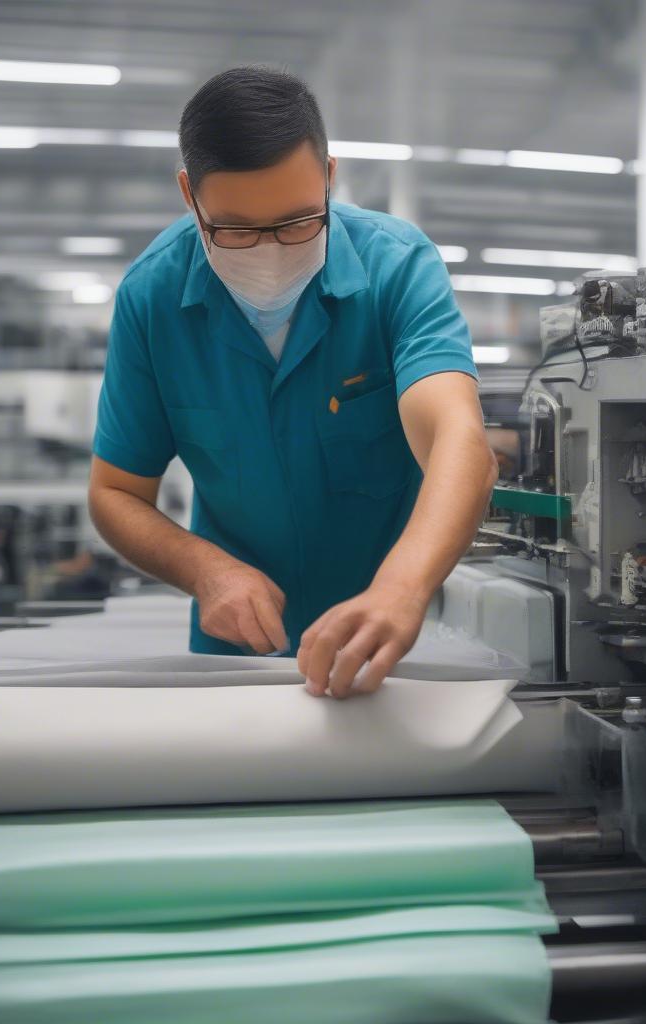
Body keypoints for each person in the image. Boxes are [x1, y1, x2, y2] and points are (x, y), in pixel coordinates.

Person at [88, 66, 497, 698]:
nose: (271, 251)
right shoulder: (152, 298)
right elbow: (115, 492)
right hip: (241, 655)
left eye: (299, 221)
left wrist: (401, 588)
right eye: (235, 230)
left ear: (330, 177)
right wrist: (207, 572)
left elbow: (457, 440)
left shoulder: (398, 268)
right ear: (188, 195)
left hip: (400, 646)